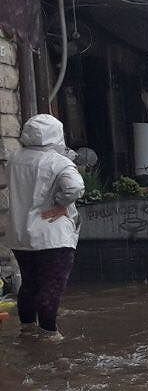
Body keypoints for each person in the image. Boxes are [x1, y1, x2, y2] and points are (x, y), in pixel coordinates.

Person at [7, 114, 86, 342]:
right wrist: (61, 204)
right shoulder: (57, 161)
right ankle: (50, 336)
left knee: (29, 284)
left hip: (21, 236)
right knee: (51, 286)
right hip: (52, 236)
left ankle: (27, 330)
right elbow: (75, 187)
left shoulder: (14, 159)